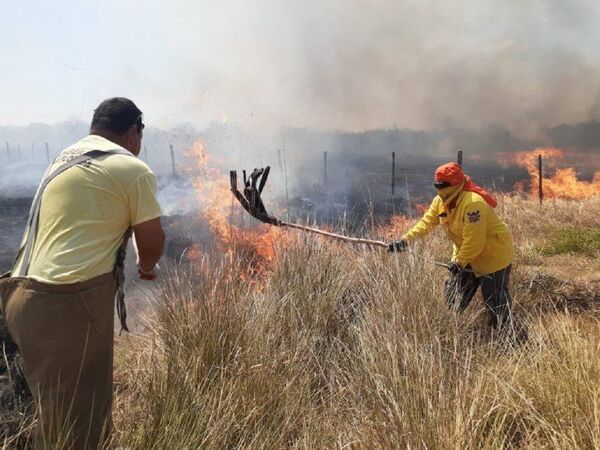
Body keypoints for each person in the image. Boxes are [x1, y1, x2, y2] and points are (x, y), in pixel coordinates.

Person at [0, 98, 164, 449]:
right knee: (77, 429)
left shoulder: (65, 159)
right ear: (135, 131)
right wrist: (148, 269)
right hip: (65, 307)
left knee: (56, 416)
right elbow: (152, 242)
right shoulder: (132, 168)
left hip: (19, 298)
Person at [388, 162, 515, 331]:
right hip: (465, 255)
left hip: (492, 256)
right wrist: (405, 241)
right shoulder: (440, 201)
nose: (439, 190)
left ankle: (508, 336)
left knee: (495, 301)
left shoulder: (473, 204)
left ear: (456, 183)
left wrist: (460, 262)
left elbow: (475, 241)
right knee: (454, 294)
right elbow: (426, 223)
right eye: (436, 185)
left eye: (442, 185)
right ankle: (453, 330)